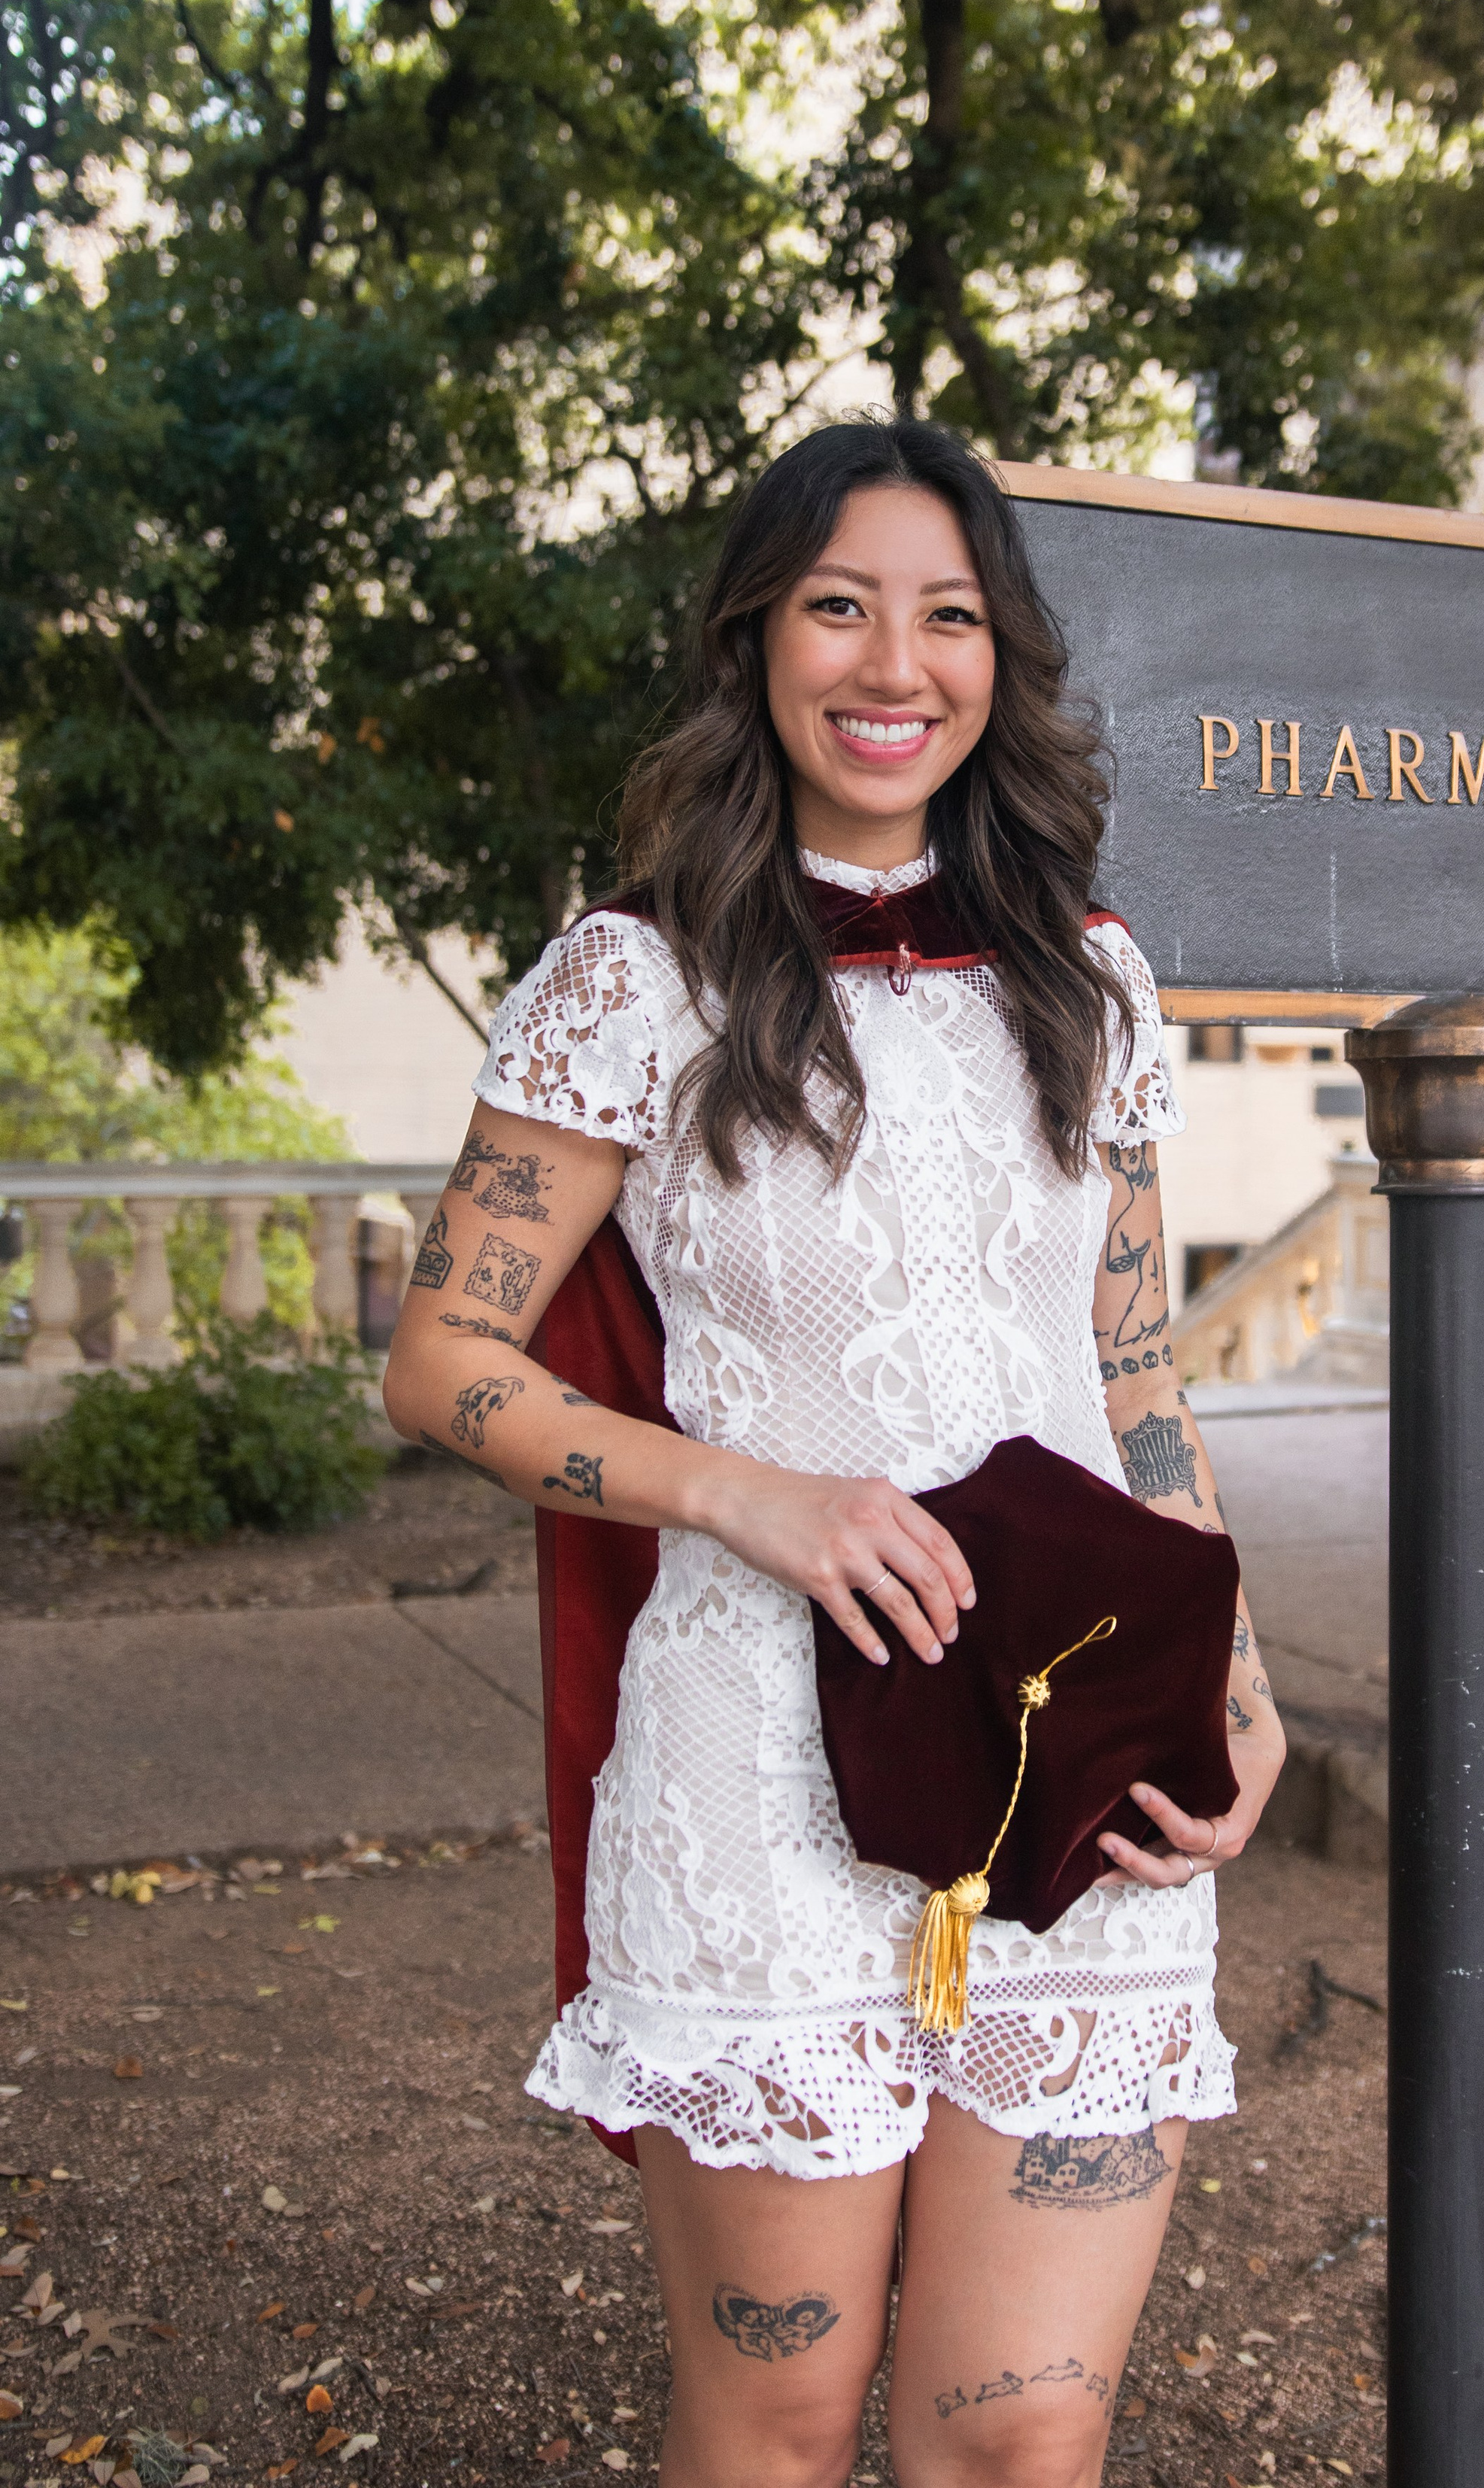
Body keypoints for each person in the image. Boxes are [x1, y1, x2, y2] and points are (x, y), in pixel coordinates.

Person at [382, 418, 1286, 2488]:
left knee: (1029, 2433)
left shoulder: (1096, 976)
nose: (898, 661)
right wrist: (752, 1493)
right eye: (841, 605)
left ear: (1002, 660)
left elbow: (1135, 1368)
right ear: (757, 645)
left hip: (1078, 1754)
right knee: (778, 2422)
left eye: (950, 614)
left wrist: (1235, 1681)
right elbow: (442, 1357)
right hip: (756, 1777)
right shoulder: (634, 979)